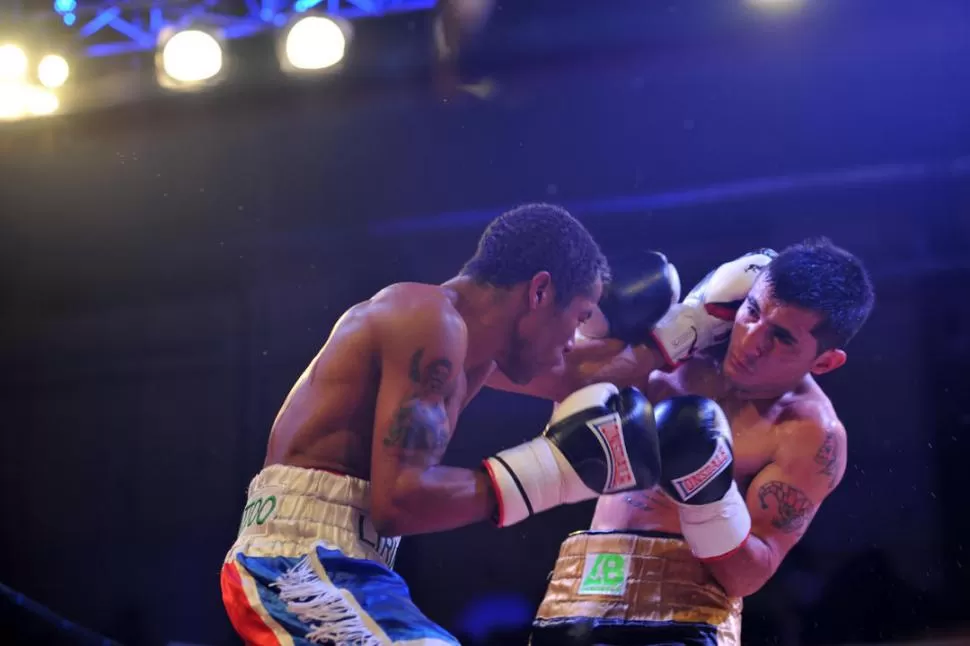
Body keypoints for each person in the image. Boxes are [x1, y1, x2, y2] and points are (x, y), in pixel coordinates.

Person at [219, 203, 674, 646]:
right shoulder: (427, 318)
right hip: (296, 558)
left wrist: (690, 327)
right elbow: (398, 501)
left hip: (355, 566)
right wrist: (551, 472)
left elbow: (578, 376)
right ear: (539, 292)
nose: (573, 342)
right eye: (579, 318)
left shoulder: (475, 349)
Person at [488, 238, 875, 646]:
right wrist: (652, 339)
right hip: (575, 605)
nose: (751, 341)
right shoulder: (680, 346)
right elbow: (539, 371)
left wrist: (707, 495)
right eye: (753, 311)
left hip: (685, 623)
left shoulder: (810, 432)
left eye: (781, 337)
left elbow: (749, 575)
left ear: (824, 361)